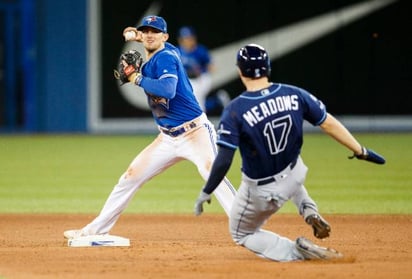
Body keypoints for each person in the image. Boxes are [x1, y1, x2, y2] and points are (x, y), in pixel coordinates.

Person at [193, 44, 385, 261]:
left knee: (241, 233)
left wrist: (207, 190)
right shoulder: (295, 94)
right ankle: (308, 209)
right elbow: (328, 124)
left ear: (239, 71)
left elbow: (225, 157)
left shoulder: (236, 109)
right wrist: (360, 150)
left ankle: (297, 251)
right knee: (289, 162)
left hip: (263, 192)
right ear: (267, 67)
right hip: (296, 174)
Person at [63, 15, 236, 240]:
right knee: (129, 178)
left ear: (165, 36)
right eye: (146, 31)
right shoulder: (164, 50)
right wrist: (136, 36)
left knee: (213, 175)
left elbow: (167, 89)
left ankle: (247, 228)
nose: (150, 34)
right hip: (167, 138)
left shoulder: (166, 58)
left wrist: (136, 78)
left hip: (195, 133)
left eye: (155, 31)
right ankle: (94, 231)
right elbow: (150, 40)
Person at [176, 26, 230, 112]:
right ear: (180, 40)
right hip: (186, 80)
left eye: (190, 38)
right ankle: (217, 100)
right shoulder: (177, 51)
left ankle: (202, 120)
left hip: (200, 78)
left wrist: (200, 70)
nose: (188, 41)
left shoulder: (200, 50)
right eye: (185, 38)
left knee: (197, 104)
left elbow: (212, 67)